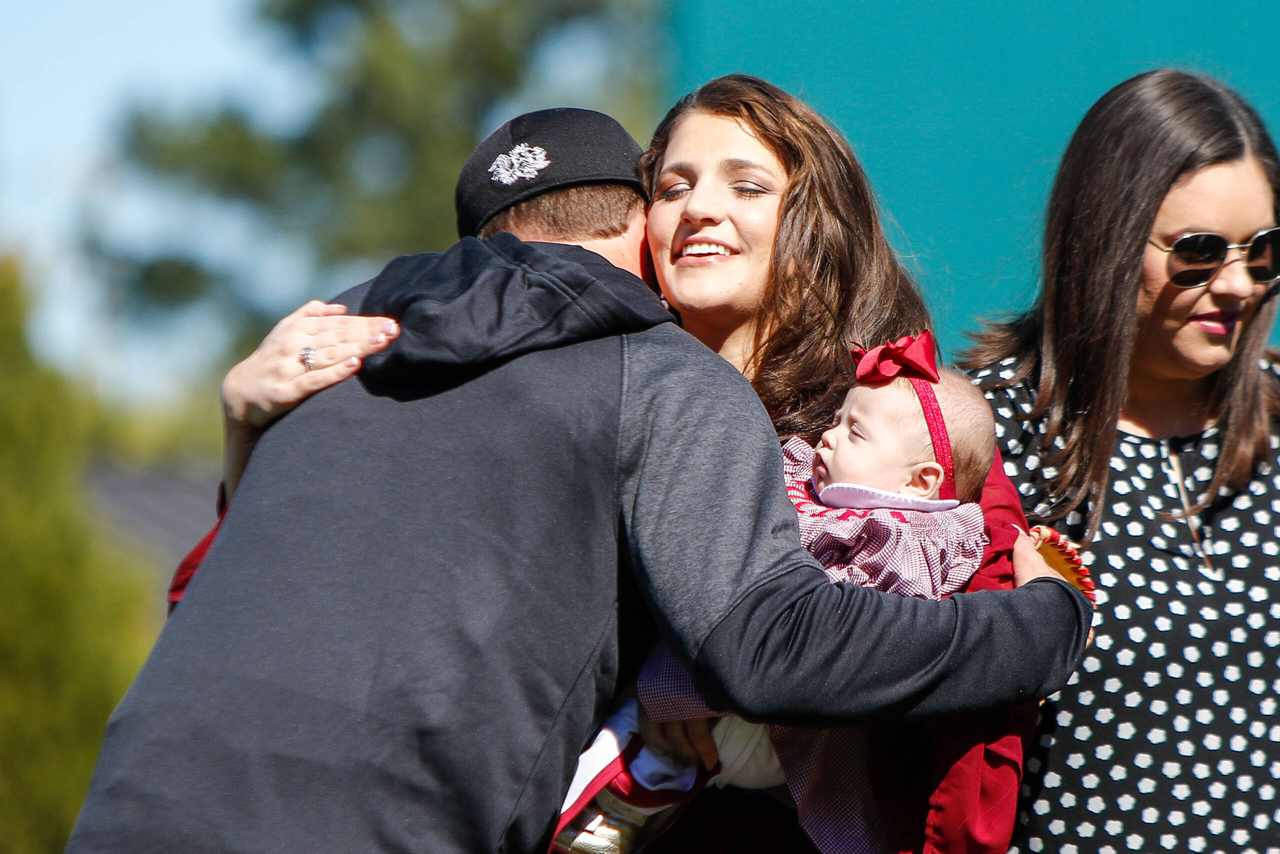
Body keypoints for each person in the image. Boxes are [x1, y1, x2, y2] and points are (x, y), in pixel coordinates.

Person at [123, 84, 1087, 854]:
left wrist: (1044, 619)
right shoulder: (589, 388)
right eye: (673, 185)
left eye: (747, 186)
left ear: (816, 222)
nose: (702, 208)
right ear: (637, 235)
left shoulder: (898, 408)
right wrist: (245, 425)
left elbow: (969, 622)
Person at [962, 69, 1280, 854]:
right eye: (1199, 252)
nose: (1237, 285)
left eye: (1264, 251)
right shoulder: (987, 436)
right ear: (1104, 237)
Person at [555, 334, 1030, 854]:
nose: (829, 437)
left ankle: (605, 799)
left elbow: (884, 614)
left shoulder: (913, 536)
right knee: (677, 748)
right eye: (836, 420)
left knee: (633, 727)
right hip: (745, 712)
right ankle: (632, 811)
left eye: (854, 431)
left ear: (921, 482)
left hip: (789, 718)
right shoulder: (801, 478)